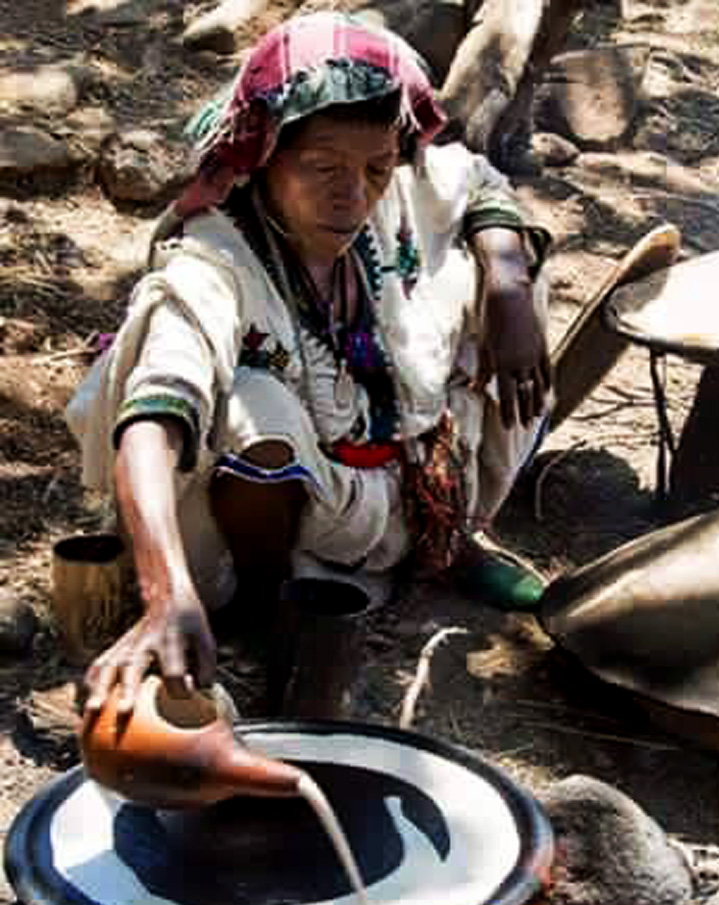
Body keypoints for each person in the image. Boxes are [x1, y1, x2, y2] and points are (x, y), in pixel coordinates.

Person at [67, 12, 554, 720]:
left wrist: (508, 289)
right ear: (266, 153)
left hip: (411, 482)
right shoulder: (218, 257)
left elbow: (475, 181)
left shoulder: (397, 186)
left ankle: (446, 542)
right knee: (254, 408)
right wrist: (163, 590)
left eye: (376, 168)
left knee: (503, 270)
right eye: (323, 167)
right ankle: (271, 612)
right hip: (297, 523)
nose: (353, 194)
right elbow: (153, 417)